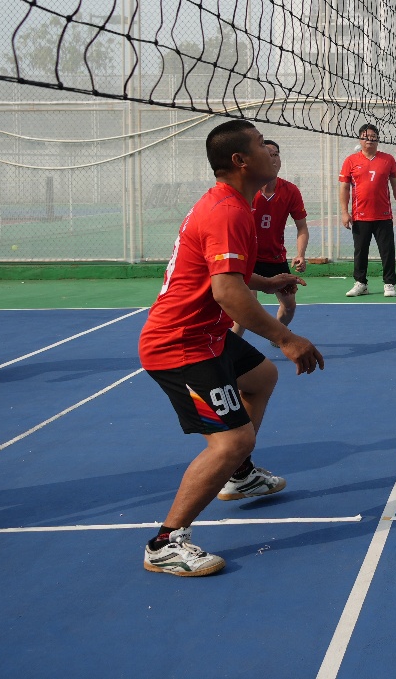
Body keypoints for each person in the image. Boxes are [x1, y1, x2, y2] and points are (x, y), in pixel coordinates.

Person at [139, 119, 325, 576]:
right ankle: (165, 542)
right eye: (262, 144)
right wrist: (286, 338)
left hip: (206, 335)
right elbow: (226, 292)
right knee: (233, 440)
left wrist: (267, 281)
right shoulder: (227, 211)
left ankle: (240, 476)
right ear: (241, 160)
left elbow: (227, 276)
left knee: (261, 377)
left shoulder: (232, 204)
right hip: (180, 344)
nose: (271, 151)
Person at [231, 140, 308, 336]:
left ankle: (278, 335)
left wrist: (300, 254)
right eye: (267, 154)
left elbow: (302, 227)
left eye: (276, 155)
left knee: (289, 306)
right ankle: (230, 350)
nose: (273, 159)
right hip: (248, 258)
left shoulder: (290, 191)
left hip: (275, 259)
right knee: (245, 310)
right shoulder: (246, 190)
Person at [339, 123, 396, 298]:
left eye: (372, 136)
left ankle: (389, 283)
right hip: (360, 215)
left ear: (377, 139)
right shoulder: (350, 161)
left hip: (383, 215)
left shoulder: (387, 159)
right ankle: (361, 283)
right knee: (360, 251)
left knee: (387, 251)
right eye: (365, 136)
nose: (369, 139)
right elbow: (344, 188)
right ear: (360, 140)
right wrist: (344, 212)